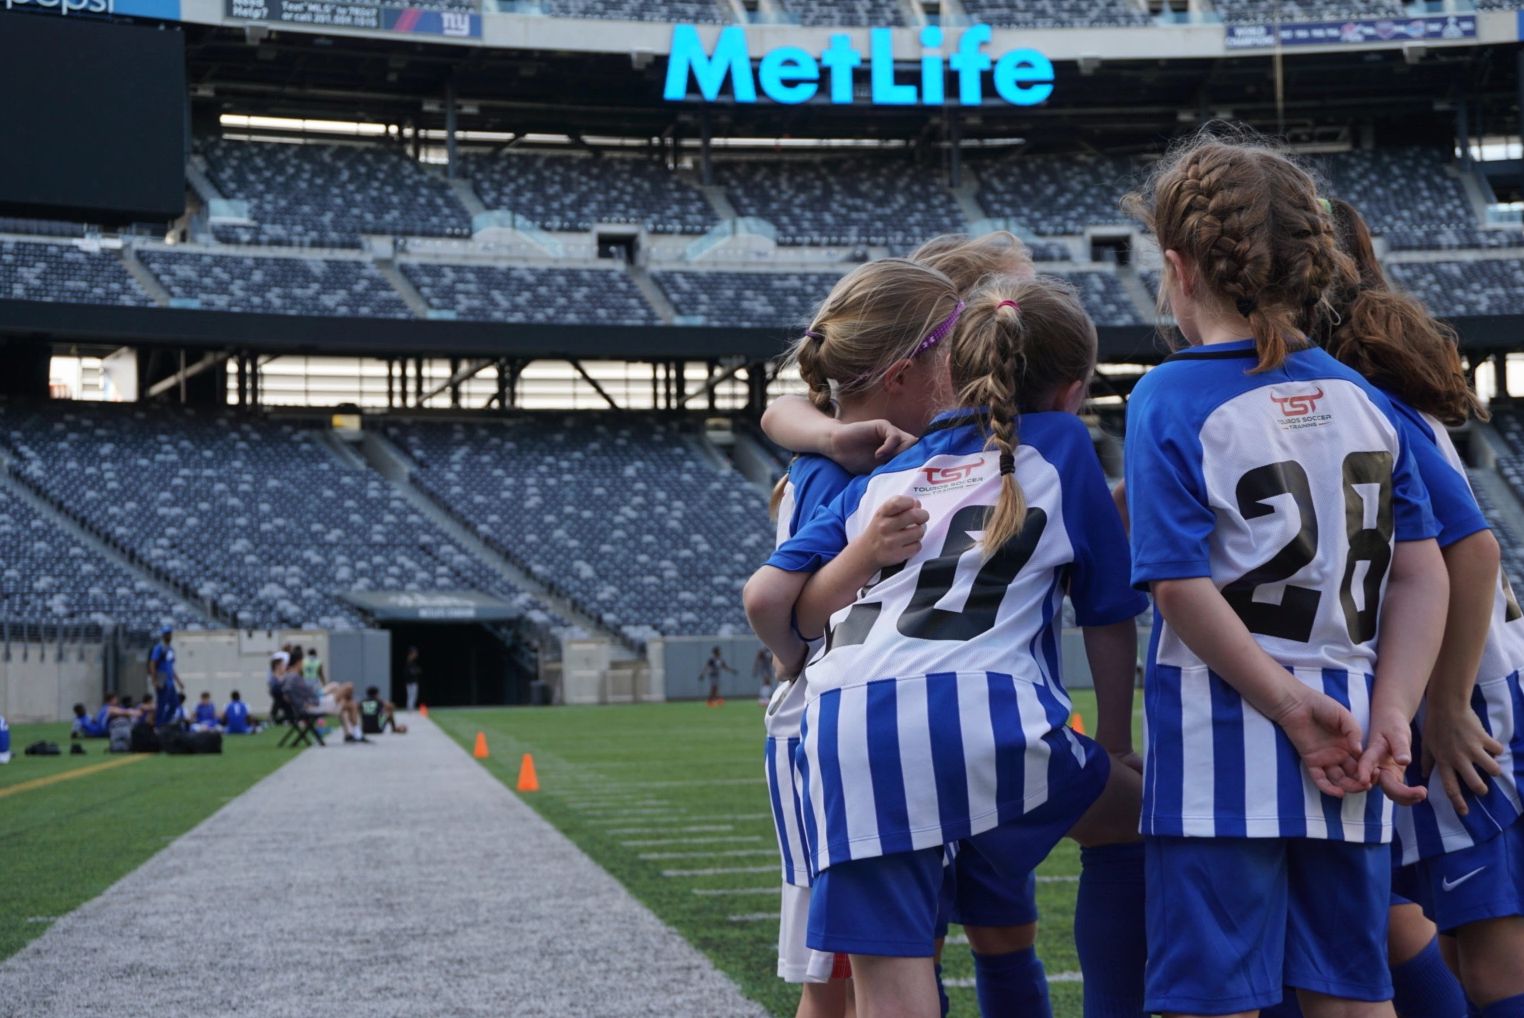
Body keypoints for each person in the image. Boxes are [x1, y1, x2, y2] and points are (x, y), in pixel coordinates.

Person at [745, 267, 1148, 1018]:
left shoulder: (880, 467)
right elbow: (1109, 612)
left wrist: (796, 650)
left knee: (884, 985)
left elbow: (771, 597)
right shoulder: (1058, 444)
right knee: (1144, 829)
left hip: (839, 730)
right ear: (1069, 389)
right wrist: (1118, 741)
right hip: (986, 719)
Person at [1122, 130, 1448, 1018]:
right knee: (1349, 992)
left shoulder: (1171, 396)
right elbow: (1423, 575)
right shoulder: (1366, 398)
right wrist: (1392, 709)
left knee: (1212, 996)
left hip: (1224, 739)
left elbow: (1179, 583)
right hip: (1356, 735)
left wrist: (1286, 706)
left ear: (1179, 267)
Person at [1316, 197, 1524, 1018]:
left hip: (1467, 699)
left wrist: (1444, 706)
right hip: (1448, 688)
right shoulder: (1356, 392)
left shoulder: (1371, 403)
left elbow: (1473, 554)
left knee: (1493, 958)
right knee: (1446, 940)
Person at [147, 626, 182, 728]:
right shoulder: (158, 648)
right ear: (163, 635)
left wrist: (178, 681)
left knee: (174, 704)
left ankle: (164, 724)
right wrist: (154, 680)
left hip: (170, 680)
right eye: (166, 634)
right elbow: (152, 663)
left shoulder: (171, 649)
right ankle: (158, 727)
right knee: (162, 704)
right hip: (161, 677)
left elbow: (171, 667)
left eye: (169, 633)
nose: (168, 636)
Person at [405, 646, 422, 712]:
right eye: (415, 653)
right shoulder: (409, 661)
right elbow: (410, 671)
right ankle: (410, 708)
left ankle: (411, 708)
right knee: (411, 695)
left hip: (413, 681)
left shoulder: (412, 662)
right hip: (410, 681)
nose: (416, 654)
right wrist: (415, 671)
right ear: (412, 653)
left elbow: (416, 670)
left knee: (413, 695)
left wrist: (416, 670)